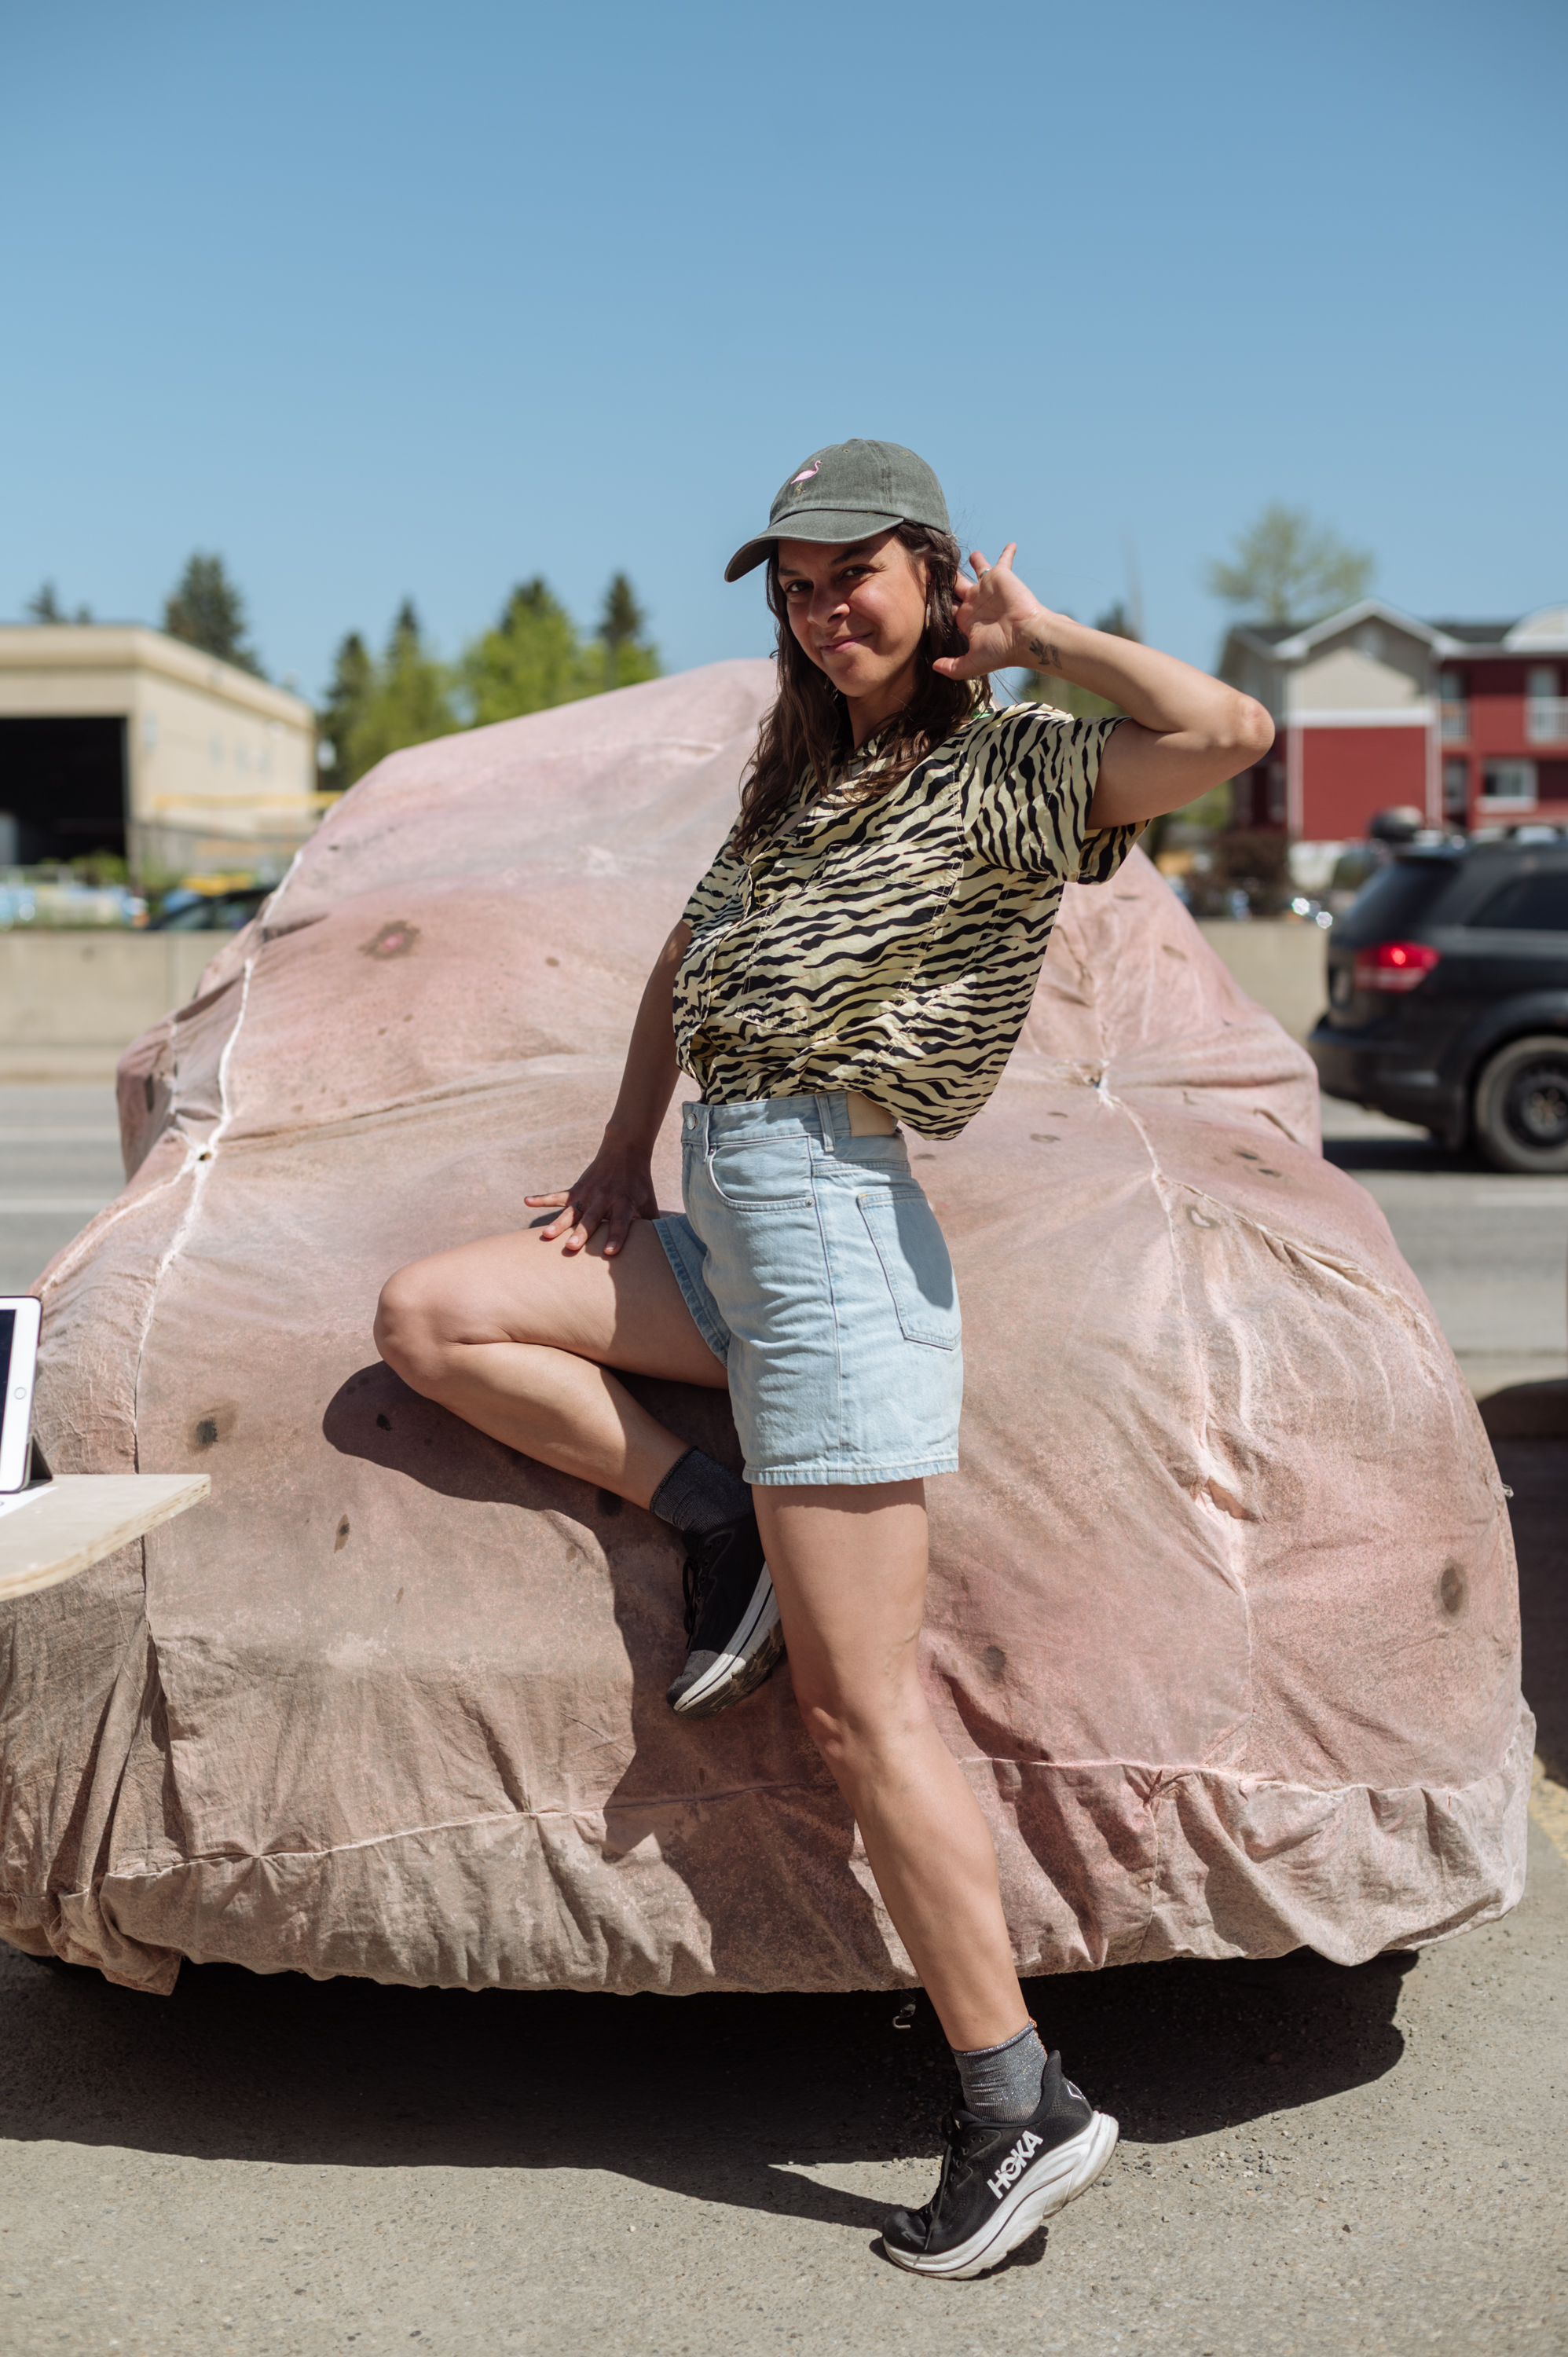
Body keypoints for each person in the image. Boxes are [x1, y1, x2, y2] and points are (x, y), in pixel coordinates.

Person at [375, 440, 1272, 2278]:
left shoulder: (1008, 765)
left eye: (847, 573)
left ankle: (1017, 2102)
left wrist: (1043, 642)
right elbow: (682, 959)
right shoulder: (802, 781)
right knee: (434, 1315)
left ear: (930, 574)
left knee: (865, 1716)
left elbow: (1230, 734)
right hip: (734, 1217)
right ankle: (714, 1517)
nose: (815, 610)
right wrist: (620, 1149)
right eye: (791, 587)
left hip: (839, 1239)